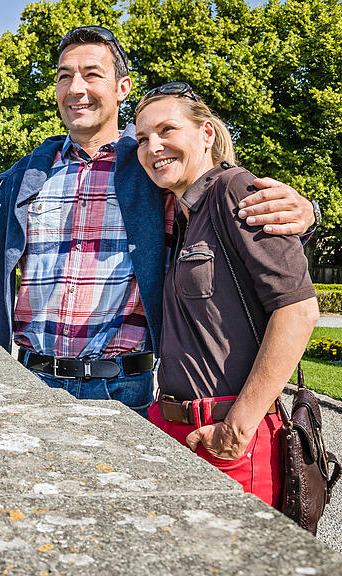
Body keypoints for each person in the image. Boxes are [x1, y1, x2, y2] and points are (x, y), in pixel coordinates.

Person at [0, 26, 317, 416]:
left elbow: (227, 215)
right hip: (31, 380)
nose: (77, 88)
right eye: (65, 76)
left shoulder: (155, 170)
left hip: (124, 389)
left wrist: (306, 211)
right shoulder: (25, 176)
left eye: (92, 74)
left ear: (122, 88)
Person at [135, 82, 319, 506]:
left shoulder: (234, 189)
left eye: (167, 130)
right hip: (174, 426)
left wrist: (236, 429)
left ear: (207, 133)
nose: (153, 147)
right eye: (142, 139)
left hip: (228, 437)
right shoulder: (181, 213)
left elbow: (298, 310)